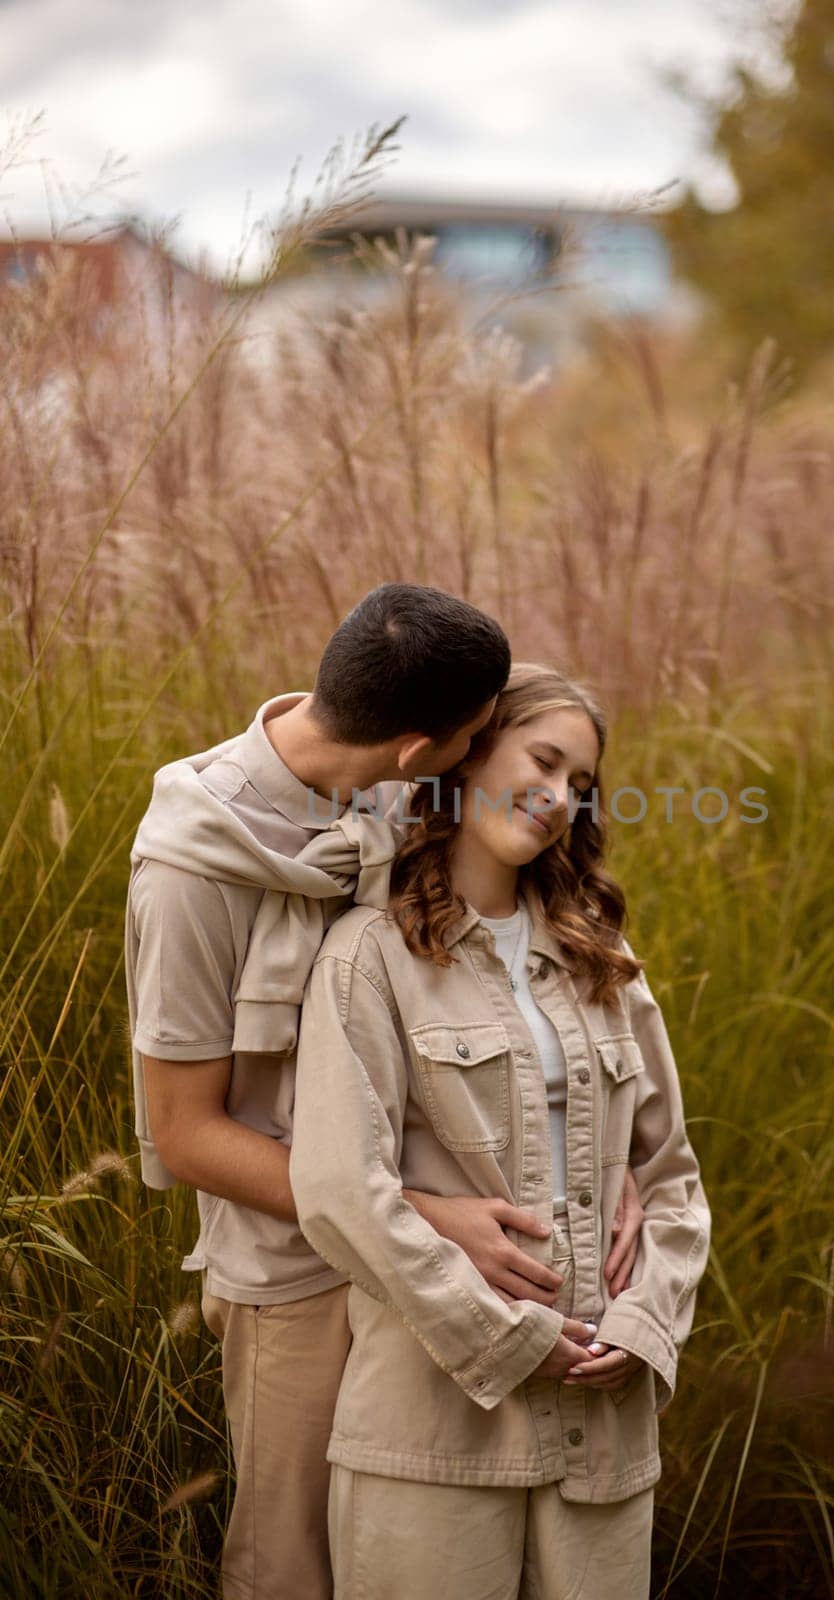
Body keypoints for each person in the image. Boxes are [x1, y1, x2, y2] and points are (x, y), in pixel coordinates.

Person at [124, 586, 646, 1600]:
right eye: (477, 735)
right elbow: (183, 1133)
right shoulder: (193, 870)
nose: (490, 751)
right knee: (295, 1563)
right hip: (299, 1271)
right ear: (421, 749)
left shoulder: (397, 783)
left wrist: (602, 1155)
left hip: (451, 1263)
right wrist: (418, 1212)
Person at [290, 661, 712, 1600]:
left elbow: (672, 1179)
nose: (559, 797)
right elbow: (338, 1191)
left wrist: (645, 1326)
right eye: (546, 760)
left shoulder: (607, 965)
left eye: (582, 786)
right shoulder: (370, 957)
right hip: (433, 1436)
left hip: (602, 1436)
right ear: (471, 755)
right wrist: (506, 1336)